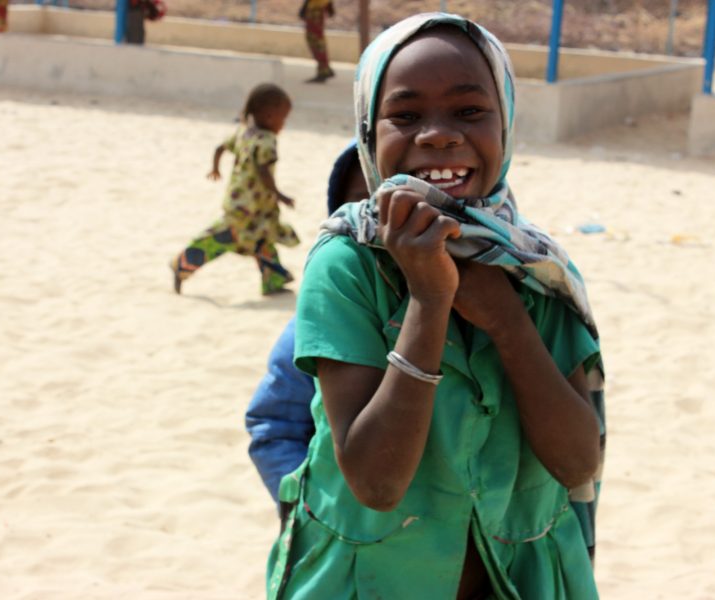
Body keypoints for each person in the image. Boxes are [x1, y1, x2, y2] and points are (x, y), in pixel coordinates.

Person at [266, 13, 606, 600]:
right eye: (406, 114)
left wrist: (505, 318)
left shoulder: (534, 270)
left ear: (507, 125)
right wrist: (429, 297)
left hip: (520, 579)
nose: (439, 135)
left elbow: (578, 464)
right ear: (370, 132)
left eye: (470, 111)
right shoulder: (347, 265)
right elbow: (376, 482)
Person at [245, 142, 367, 515]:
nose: (387, 220)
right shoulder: (317, 322)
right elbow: (274, 424)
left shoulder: (484, 305)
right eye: (365, 205)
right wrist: (304, 510)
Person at [170, 83, 299, 296]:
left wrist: (215, 168)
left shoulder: (243, 132)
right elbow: (263, 171)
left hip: (245, 202)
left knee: (262, 239)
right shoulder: (267, 140)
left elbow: (220, 148)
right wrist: (280, 194)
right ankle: (182, 264)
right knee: (221, 237)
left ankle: (273, 280)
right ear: (268, 116)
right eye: (282, 118)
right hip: (248, 207)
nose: (283, 124)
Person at [298, 0, 335, 83]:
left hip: (315, 9)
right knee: (317, 39)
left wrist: (303, 9)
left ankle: (323, 70)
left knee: (315, 40)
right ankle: (324, 68)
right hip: (316, 8)